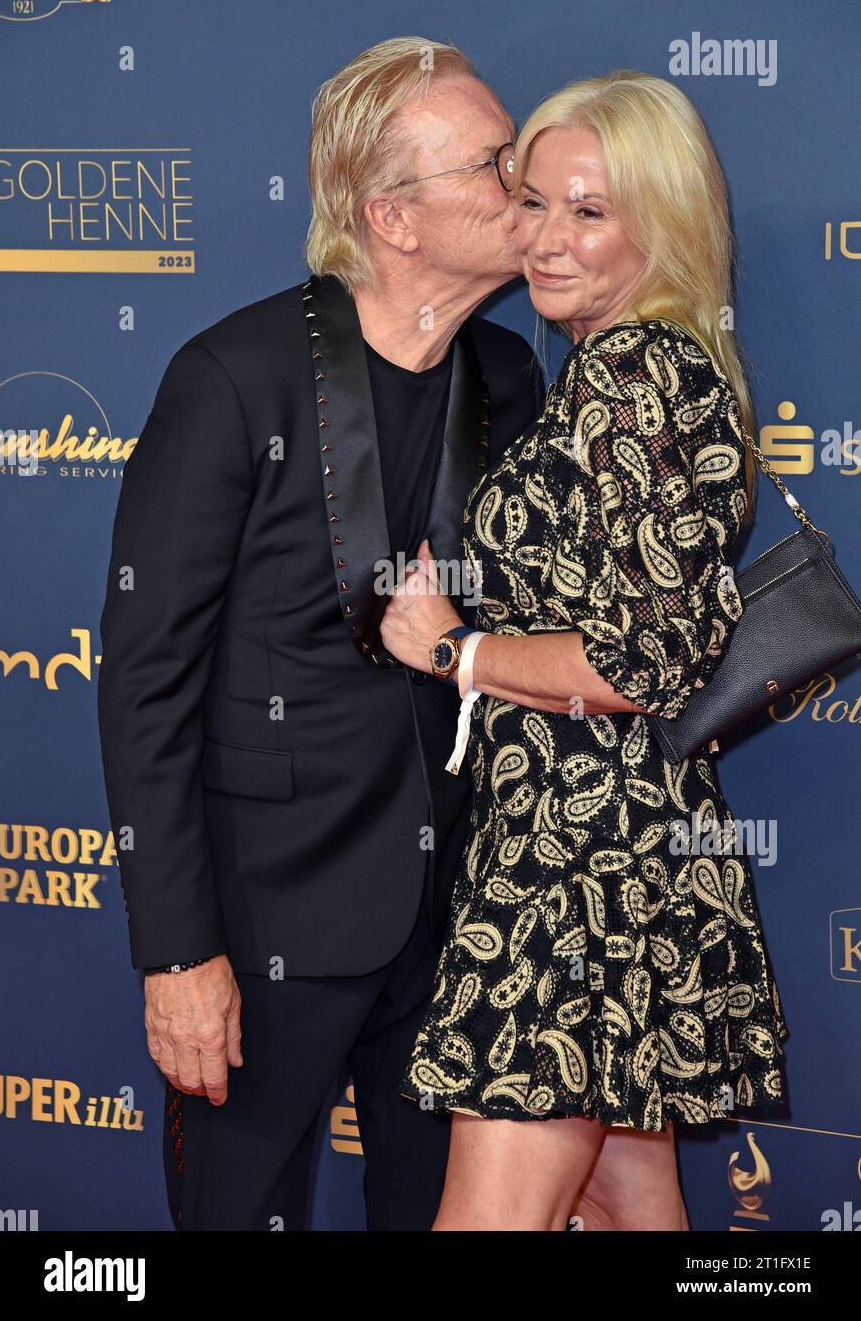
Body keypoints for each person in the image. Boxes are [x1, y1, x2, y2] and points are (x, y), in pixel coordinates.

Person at [96, 36, 544, 1231]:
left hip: (456, 923)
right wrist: (178, 953)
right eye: (495, 163)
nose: (527, 179)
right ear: (393, 216)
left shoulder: (510, 375)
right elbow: (145, 681)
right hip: (261, 930)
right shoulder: (234, 378)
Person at [385, 69, 790, 1232]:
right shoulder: (643, 366)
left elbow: (640, 665)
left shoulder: (634, 377)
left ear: (660, 225)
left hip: (577, 871)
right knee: (623, 1193)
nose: (545, 242)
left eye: (589, 212)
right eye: (535, 203)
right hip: (619, 847)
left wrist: (455, 647)